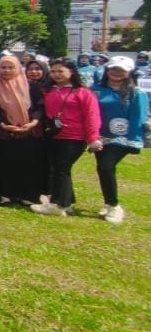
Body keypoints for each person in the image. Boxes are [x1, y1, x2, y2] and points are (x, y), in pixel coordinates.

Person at [31, 59, 100, 216]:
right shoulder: (48, 90)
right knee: (59, 169)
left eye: (60, 71)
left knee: (61, 169)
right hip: (54, 135)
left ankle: (58, 204)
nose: (56, 75)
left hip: (74, 137)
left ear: (72, 72)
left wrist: (93, 138)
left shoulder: (83, 92)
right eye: (53, 71)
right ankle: (66, 202)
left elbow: (92, 116)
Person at [90, 56, 147, 224]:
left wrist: (134, 141)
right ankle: (109, 204)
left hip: (122, 138)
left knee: (105, 167)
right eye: (113, 69)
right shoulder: (96, 89)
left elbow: (138, 117)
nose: (116, 72)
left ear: (129, 72)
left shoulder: (135, 93)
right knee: (104, 170)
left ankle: (114, 206)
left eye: (121, 70)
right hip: (100, 137)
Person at [0, 55, 46, 205]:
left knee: (28, 164)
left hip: (29, 131)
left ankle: (27, 195)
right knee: (6, 163)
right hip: (5, 132)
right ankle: (6, 194)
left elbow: (40, 107)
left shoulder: (32, 86)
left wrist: (33, 122)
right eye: (3, 67)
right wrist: (2, 125)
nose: (7, 70)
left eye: (11, 67)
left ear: (18, 68)